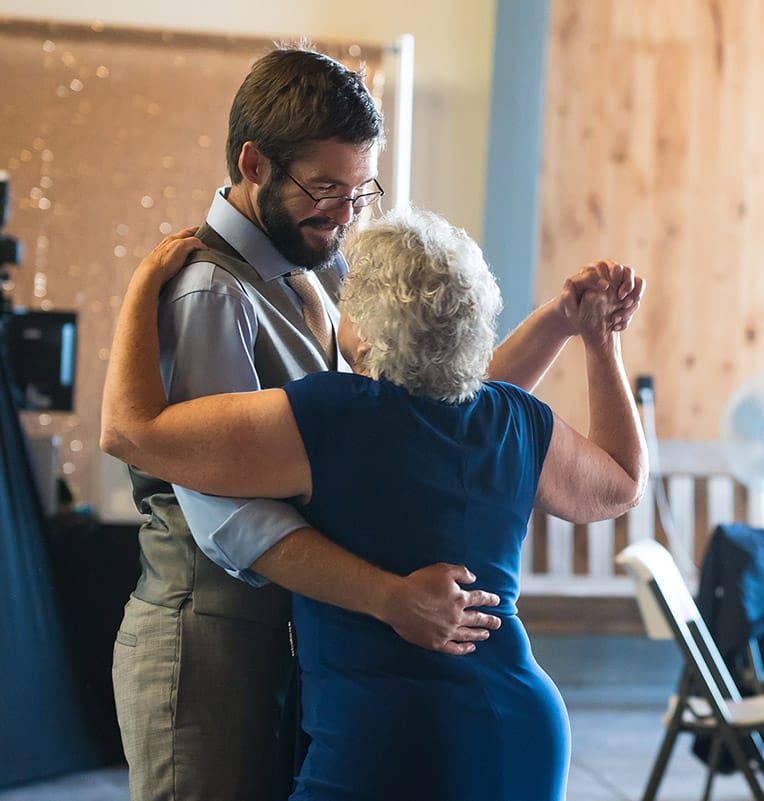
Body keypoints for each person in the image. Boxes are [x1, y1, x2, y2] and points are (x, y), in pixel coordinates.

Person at [110, 45, 644, 801]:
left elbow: (441, 399)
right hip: (215, 637)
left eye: (361, 192)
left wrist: (560, 320)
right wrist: (388, 595)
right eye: (327, 188)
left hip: (317, 652)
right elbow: (226, 513)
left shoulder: (324, 263)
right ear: (254, 164)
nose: (345, 215)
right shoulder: (209, 291)